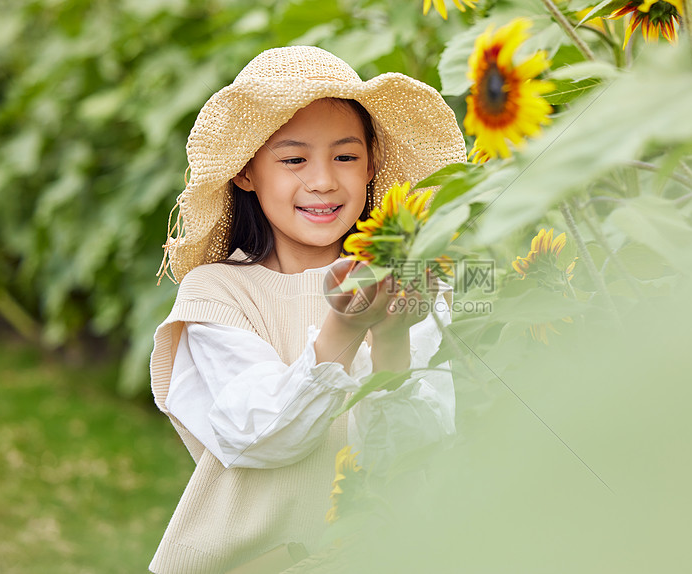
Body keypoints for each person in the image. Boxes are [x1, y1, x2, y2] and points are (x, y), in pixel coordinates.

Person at [149, 45, 467, 574]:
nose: (322, 181)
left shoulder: (404, 281)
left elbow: (420, 443)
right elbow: (259, 437)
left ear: (372, 167)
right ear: (247, 173)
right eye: (294, 159)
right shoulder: (218, 295)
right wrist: (343, 328)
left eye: (345, 156)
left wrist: (390, 337)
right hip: (254, 561)